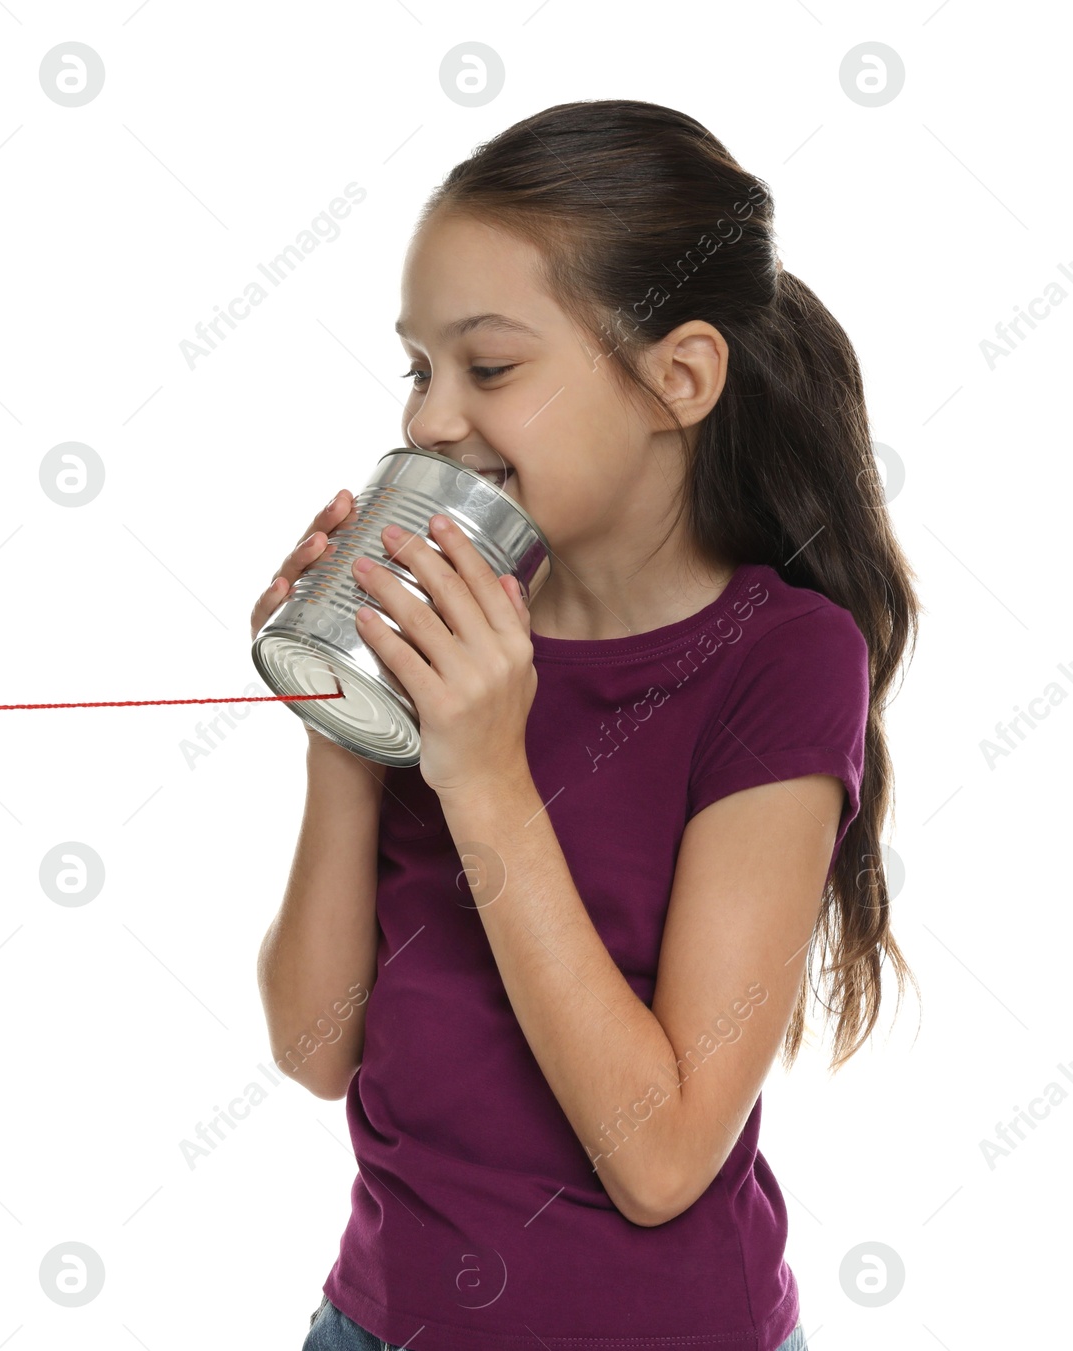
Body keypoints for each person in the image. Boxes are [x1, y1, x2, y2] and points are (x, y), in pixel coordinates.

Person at [251, 99, 921, 1351]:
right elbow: (313, 1047)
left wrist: (486, 774)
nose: (428, 419)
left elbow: (661, 1157)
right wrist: (344, 732)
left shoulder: (779, 661)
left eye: (489, 368)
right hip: (374, 1323)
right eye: (419, 367)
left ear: (677, 379)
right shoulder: (463, 636)